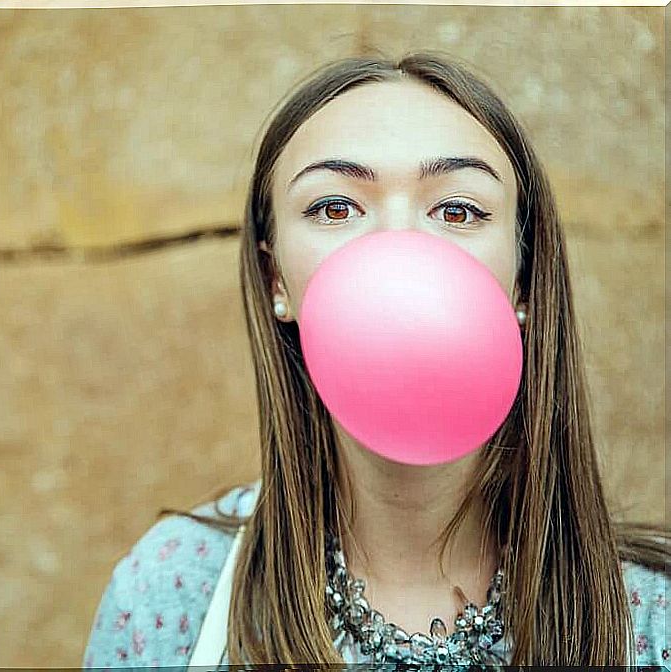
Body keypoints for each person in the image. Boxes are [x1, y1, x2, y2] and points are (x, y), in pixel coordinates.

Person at [81, 52, 671, 667]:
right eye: (335, 207)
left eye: (458, 210)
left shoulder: (655, 616)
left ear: (523, 282)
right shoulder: (173, 597)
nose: (399, 244)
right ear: (274, 277)